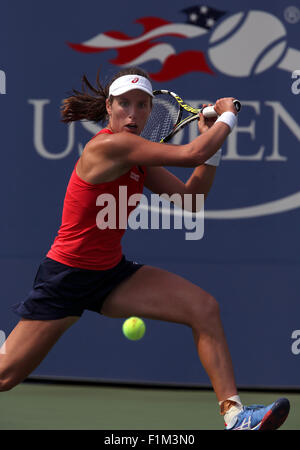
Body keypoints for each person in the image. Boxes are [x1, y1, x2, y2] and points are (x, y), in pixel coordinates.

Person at [0, 67, 290, 430]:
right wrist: (228, 116)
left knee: (203, 308)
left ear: (152, 112)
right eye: (124, 104)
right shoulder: (109, 146)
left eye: (142, 105)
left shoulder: (137, 158)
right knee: (5, 377)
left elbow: (191, 199)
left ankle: (235, 416)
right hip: (67, 277)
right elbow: (189, 153)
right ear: (109, 107)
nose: (133, 114)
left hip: (110, 273)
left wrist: (211, 151)